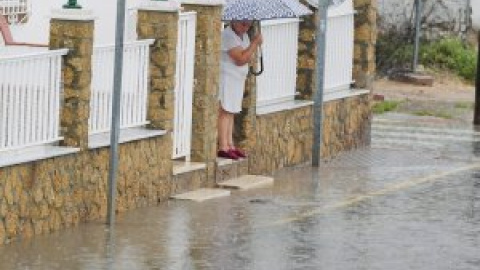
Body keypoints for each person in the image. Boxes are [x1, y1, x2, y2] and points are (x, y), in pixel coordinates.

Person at [217, 20, 263, 160]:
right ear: (234, 21)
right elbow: (241, 59)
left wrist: (253, 44)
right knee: (225, 110)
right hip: (228, 78)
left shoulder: (244, 36)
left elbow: (246, 55)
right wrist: (255, 43)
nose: (246, 27)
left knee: (232, 111)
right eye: (243, 24)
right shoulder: (227, 36)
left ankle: (230, 144)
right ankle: (223, 146)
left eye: (248, 25)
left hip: (237, 79)